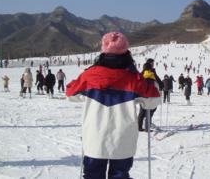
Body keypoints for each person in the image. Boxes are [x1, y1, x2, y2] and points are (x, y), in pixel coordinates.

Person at [66, 32, 160, 179]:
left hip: (94, 138)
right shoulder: (134, 79)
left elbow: (70, 93)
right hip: (122, 140)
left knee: (92, 175)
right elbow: (153, 100)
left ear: (103, 51)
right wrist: (149, 84)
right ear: (125, 52)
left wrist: (83, 80)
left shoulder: (89, 75)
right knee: (120, 175)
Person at [138, 58, 162, 132]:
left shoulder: (141, 73)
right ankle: (147, 127)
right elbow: (159, 81)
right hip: (151, 95)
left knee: (142, 111)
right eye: (153, 63)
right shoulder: (152, 73)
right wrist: (161, 87)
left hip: (142, 96)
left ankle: (139, 127)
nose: (153, 64)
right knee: (151, 110)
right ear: (151, 64)